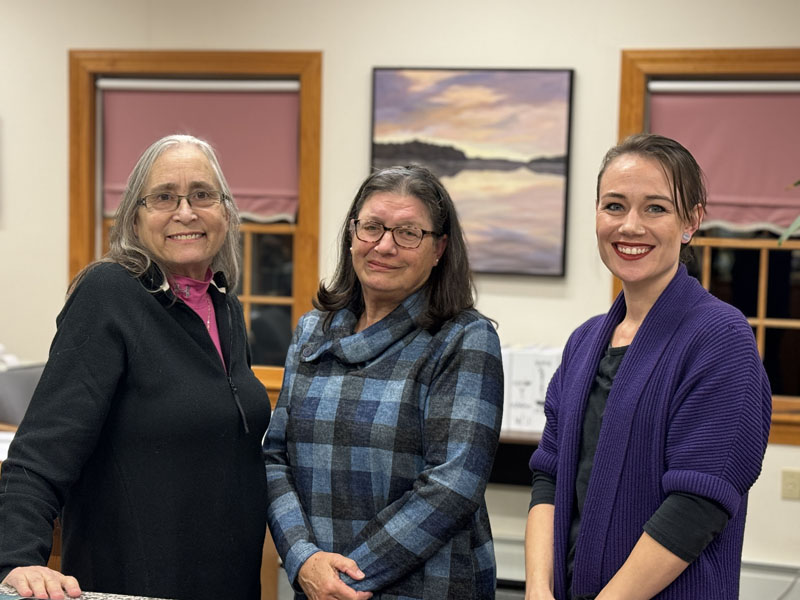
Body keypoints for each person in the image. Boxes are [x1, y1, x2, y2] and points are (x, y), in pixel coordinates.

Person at [0, 134, 271, 600]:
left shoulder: (225, 305)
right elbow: (41, 452)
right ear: (134, 216)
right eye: (164, 196)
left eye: (203, 195)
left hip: (228, 581)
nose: (185, 212)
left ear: (226, 212)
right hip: (136, 583)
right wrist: (17, 558)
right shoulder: (108, 294)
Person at [524, 134, 772, 600]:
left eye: (655, 208)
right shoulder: (584, 342)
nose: (630, 226)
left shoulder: (720, 337)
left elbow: (698, 503)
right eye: (614, 206)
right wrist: (537, 589)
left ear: (691, 221)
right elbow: (549, 476)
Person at [263, 165, 503, 599]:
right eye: (372, 227)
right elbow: (274, 458)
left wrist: (345, 581)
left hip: (421, 587)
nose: (384, 246)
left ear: (439, 249)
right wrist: (302, 559)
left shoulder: (464, 338)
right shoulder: (312, 331)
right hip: (316, 583)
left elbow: (453, 486)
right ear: (352, 234)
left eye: (408, 233)